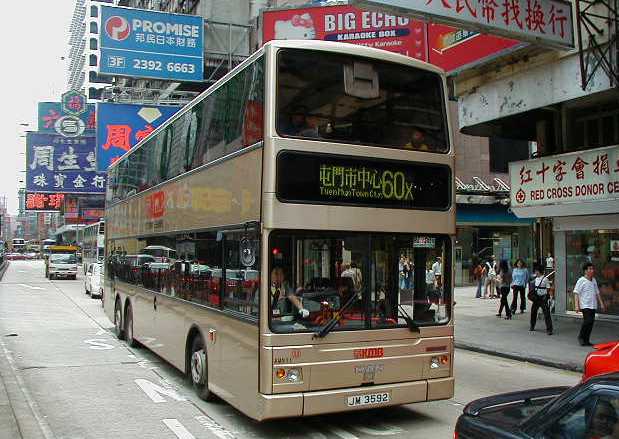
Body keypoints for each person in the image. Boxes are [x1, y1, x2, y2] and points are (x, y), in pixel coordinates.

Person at [574, 262, 606, 346]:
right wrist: (577, 306)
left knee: (591, 323)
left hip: (593, 305)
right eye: (590, 269)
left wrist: (601, 303)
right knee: (588, 321)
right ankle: (581, 337)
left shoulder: (594, 280)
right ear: (585, 271)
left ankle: (586, 340)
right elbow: (576, 293)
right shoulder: (581, 280)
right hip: (585, 305)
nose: (592, 270)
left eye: (592, 269)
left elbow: (597, 293)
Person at [529, 263, 553, 335]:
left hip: (543, 298)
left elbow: (548, 289)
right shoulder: (535, 278)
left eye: (537, 271)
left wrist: (549, 297)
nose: (536, 272)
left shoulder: (545, 279)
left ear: (540, 271)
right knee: (533, 312)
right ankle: (532, 325)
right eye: (535, 271)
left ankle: (549, 329)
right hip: (536, 298)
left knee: (546, 314)